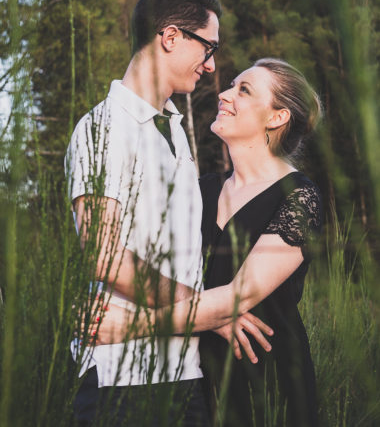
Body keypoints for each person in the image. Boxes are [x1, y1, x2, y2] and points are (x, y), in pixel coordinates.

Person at [66, 0, 271, 427]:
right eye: (208, 48)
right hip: (122, 378)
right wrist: (211, 312)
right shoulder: (103, 128)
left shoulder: (174, 130)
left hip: (184, 373)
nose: (212, 66)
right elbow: (103, 257)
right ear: (171, 36)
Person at [88, 58, 322, 427]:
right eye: (231, 85)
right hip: (198, 378)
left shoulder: (298, 197)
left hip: (268, 381)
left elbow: (237, 296)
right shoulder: (202, 190)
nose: (225, 95)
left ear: (276, 118)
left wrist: (129, 325)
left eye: (243, 90)